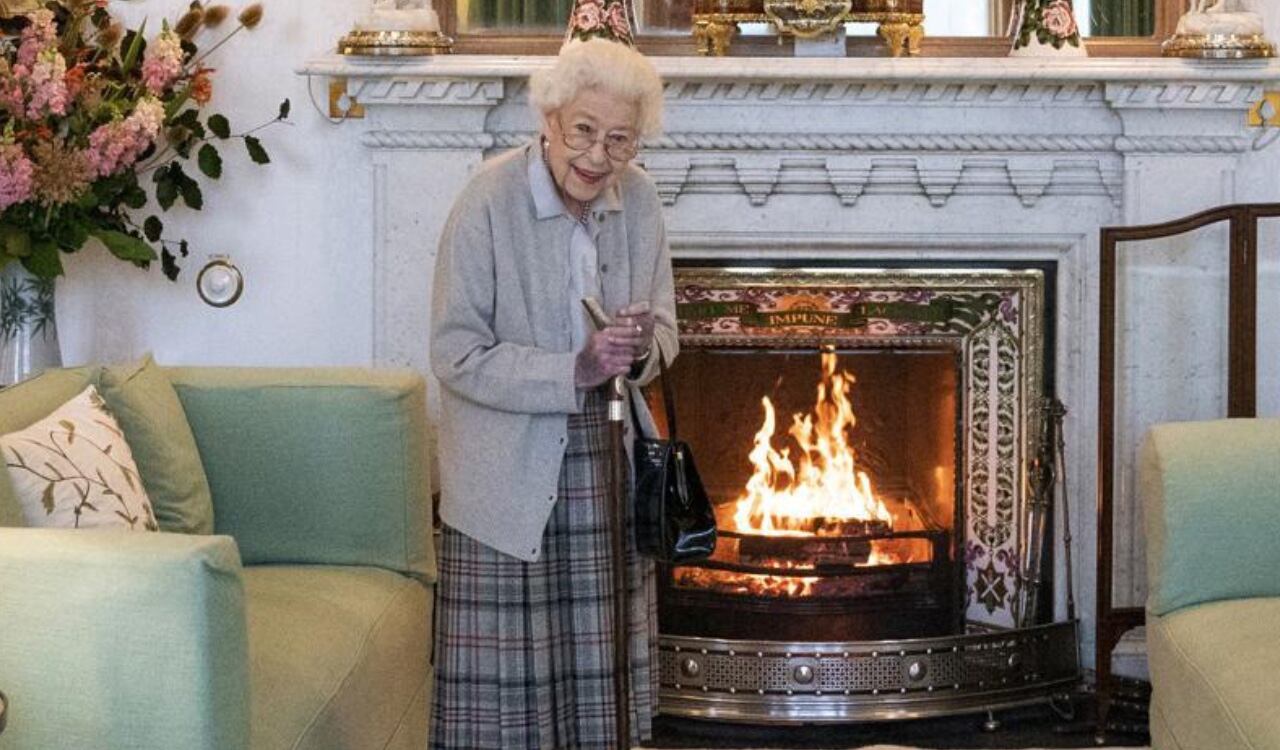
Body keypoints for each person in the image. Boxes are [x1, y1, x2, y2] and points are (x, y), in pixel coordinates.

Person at [427, 29, 675, 750]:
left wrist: (635, 349)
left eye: (620, 141)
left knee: (602, 694)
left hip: (607, 466)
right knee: (513, 710)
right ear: (549, 121)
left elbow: (666, 332)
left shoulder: (642, 202)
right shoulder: (487, 201)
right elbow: (454, 354)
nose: (598, 157)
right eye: (584, 133)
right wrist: (575, 368)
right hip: (507, 479)